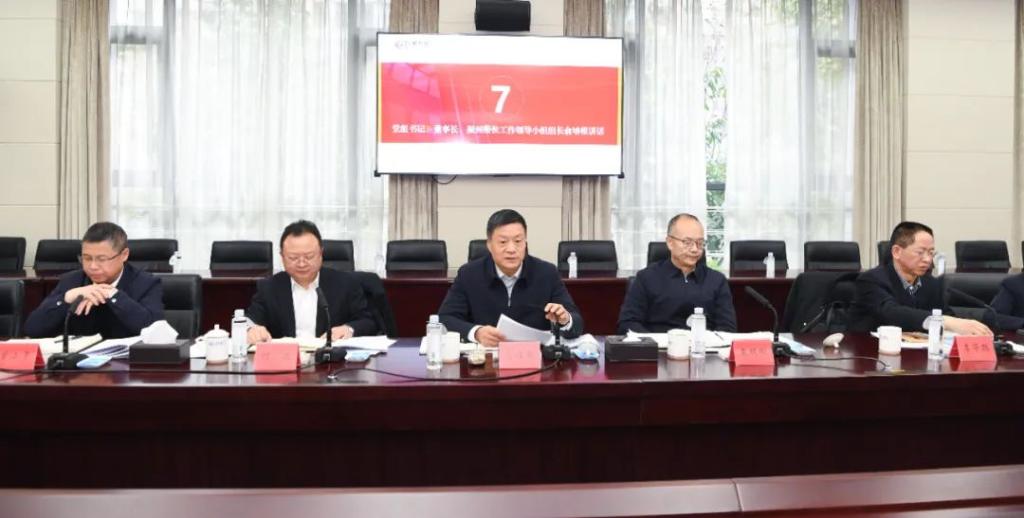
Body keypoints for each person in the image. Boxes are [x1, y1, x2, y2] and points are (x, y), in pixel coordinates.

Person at [438, 209, 583, 346]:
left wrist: (565, 319)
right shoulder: (469, 274)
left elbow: (577, 323)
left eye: (518, 241)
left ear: (525, 243)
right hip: (486, 357)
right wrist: (477, 333)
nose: (511, 249)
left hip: (534, 357)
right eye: (503, 242)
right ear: (489, 245)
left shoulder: (547, 273)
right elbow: (445, 318)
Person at [848, 221, 991, 335]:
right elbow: (891, 313)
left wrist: (967, 328)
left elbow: (947, 317)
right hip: (872, 355)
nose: (928, 259)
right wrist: (944, 321)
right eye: (920, 252)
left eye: (931, 253)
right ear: (897, 252)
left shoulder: (932, 284)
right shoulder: (871, 280)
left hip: (919, 356)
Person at [246, 220, 376, 343]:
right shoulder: (269, 287)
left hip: (330, 357)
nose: (302, 264)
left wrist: (348, 329)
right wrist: (251, 329)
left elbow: (368, 321)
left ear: (321, 254)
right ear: (282, 257)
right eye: (293, 258)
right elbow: (248, 320)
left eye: (309, 256)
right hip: (286, 357)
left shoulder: (345, 283)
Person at [25, 222, 163, 338]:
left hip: (126, 361)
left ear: (124, 255)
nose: (92, 266)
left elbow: (154, 332)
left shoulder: (146, 283)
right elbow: (32, 329)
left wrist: (112, 295)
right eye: (86, 258)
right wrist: (66, 298)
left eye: (101, 259)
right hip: (79, 360)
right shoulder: (71, 281)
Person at [617, 213, 737, 333]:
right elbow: (628, 323)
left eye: (700, 243)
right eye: (687, 242)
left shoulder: (716, 281)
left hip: (703, 344)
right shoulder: (646, 278)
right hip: (659, 343)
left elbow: (727, 328)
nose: (695, 249)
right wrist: (654, 341)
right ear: (670, 242)